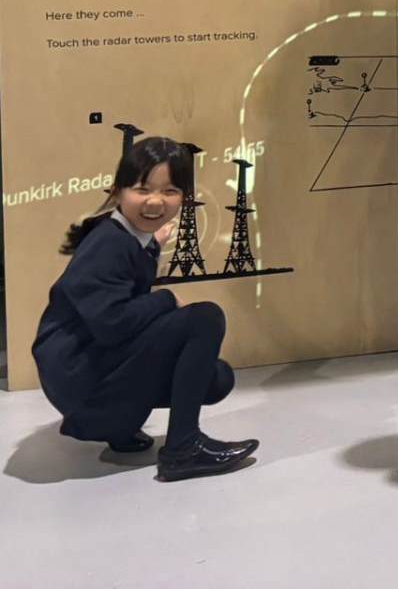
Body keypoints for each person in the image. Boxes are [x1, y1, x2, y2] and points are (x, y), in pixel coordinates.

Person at [32, 137, 258, 481]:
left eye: (170, 191)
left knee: (216, 377)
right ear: (118, 191)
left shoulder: (122, 237)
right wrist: (166, 299)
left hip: (84, 381)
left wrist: (152, 247)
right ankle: (183, 448)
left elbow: (124, 301)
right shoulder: (109, 244)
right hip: (84, 390)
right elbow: (113, 323)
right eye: (142, 189)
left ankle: (121, 432)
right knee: (205, 317)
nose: (155, 201)